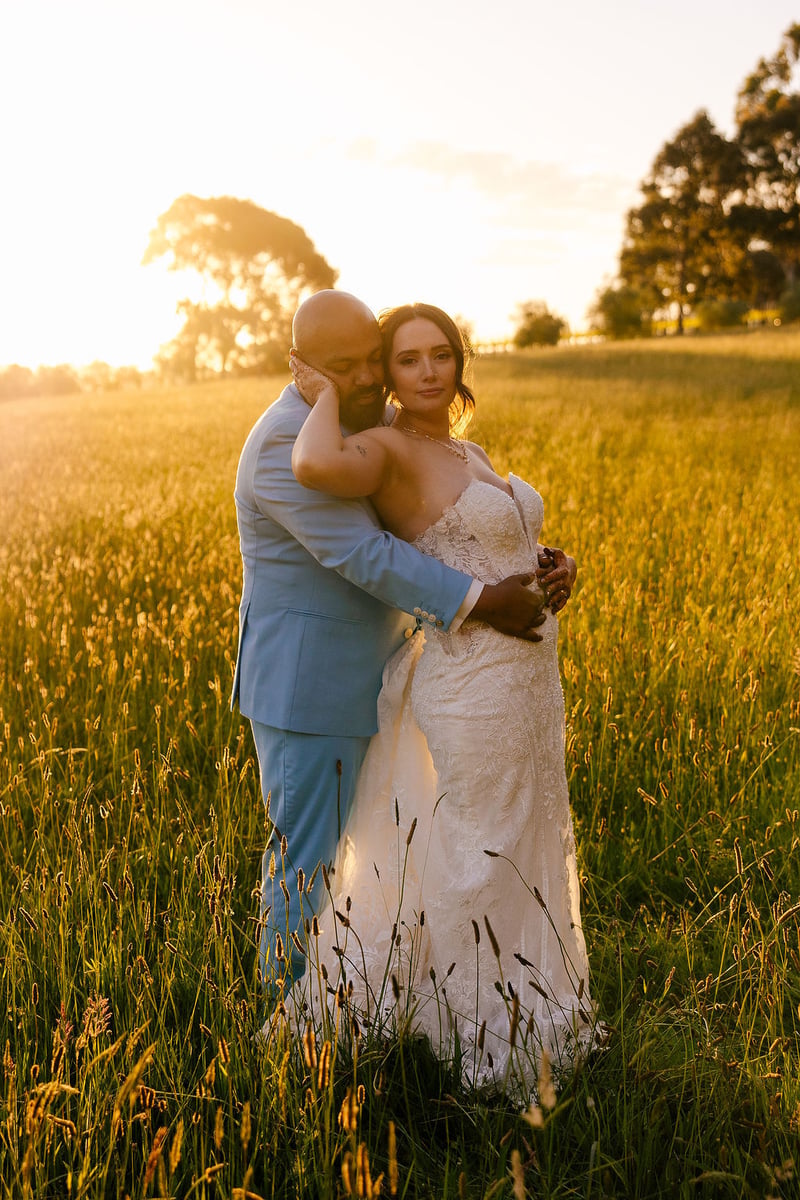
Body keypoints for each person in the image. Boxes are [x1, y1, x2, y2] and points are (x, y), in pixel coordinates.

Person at [289, 302, 593, 1092]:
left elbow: (500, 538)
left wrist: (555, 565)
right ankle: (474, 1029)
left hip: (528, 679)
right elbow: (313, 467)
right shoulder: (385, 446)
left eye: (441, 355)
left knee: (527, 832)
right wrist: (323, 389)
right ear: (387, 373)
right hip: (470, 680)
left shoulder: (468, 447)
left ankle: (533, 1002)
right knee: (479, 842)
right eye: (408, 359)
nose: (429, 371)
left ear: (460, 362)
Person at [231, 292, 572, 987]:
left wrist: (531, 559)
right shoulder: (282, 443)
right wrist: (482, 602)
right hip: (310, 689)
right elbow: (363, 555)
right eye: (340, 368)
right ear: (301, 368)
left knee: (393, 853)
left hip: (395, 677)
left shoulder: (375, 420)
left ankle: (394, 995)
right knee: (309, 856)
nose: (365, 379)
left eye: (368, 362)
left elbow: (439, 506)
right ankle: (282, 1021)